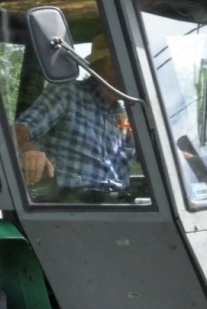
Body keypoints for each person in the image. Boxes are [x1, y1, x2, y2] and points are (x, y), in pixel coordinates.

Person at [15, 32, 133, 196]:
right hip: (71, 202)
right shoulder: (67, 93)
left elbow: (146, 153)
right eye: (131, 67)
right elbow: (18, 131)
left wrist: (177, 156)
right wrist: (29, 149)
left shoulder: (123, 114)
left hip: (115, 204)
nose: (134, 75)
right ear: (109, 66)